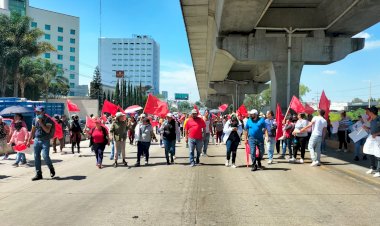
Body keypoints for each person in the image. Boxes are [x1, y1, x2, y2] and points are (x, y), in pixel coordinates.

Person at [27, 106, 55, 181]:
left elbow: (47, 131)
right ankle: (38, 174)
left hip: (45, 140)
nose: (37, 113)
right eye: (36, 112)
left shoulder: (48, 120)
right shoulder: (34, 119)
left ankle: (51, 168)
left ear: (43, 112)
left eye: (38, 112)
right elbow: (32, 130)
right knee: (36, 157)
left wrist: (40, 122)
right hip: (37, 140)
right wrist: (29, 140)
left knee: (45, 155)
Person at [364, 106, 380, 177]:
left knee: (378, 154)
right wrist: (367, 128)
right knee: (369, 151)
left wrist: (376, 134)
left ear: (372, 112)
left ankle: (378, 171)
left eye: (369, 111)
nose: (368, 113)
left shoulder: (379, 119)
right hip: (372, 138)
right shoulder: (372, 120)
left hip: (378, 138)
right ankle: (372, 167)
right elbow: (372, 129)